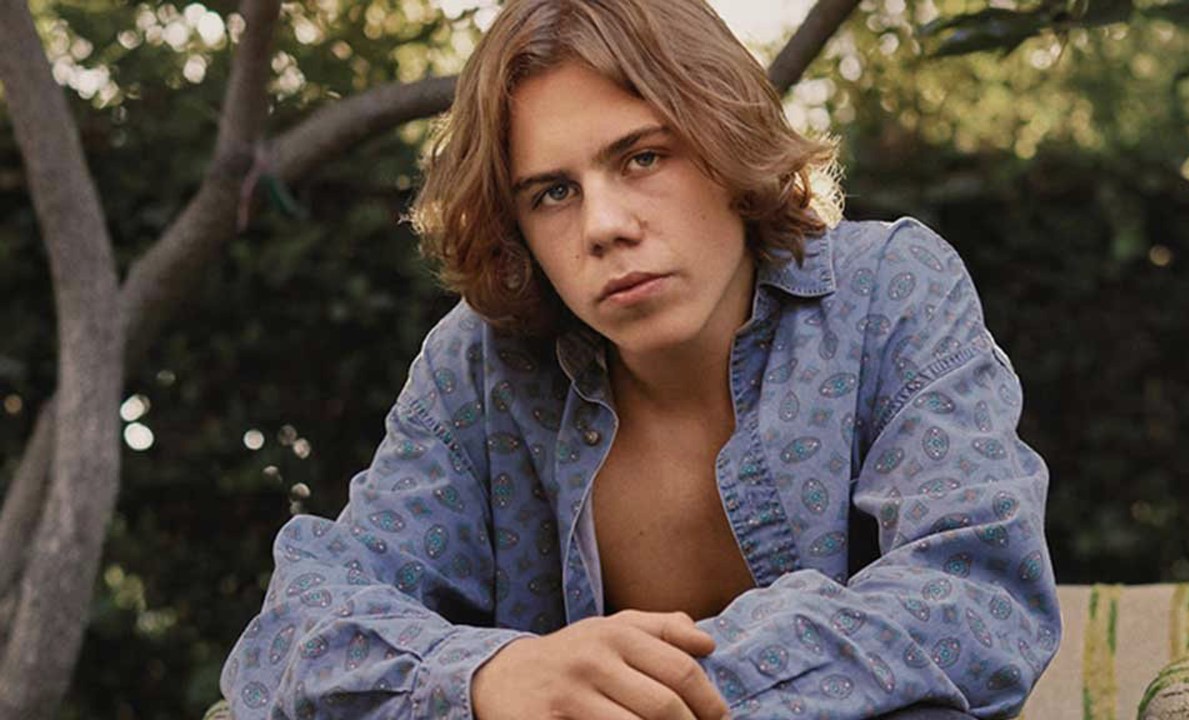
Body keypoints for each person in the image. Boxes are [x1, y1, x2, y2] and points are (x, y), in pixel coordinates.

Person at [220, 1, 1061, 718]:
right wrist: (490, 679)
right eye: (553, 192)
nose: (603, 226)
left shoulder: (886, 292)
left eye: (643, 157)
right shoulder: (482, 367)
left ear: (726, 145)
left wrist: (640, 696)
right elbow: (294, 634)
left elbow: (976, 596)